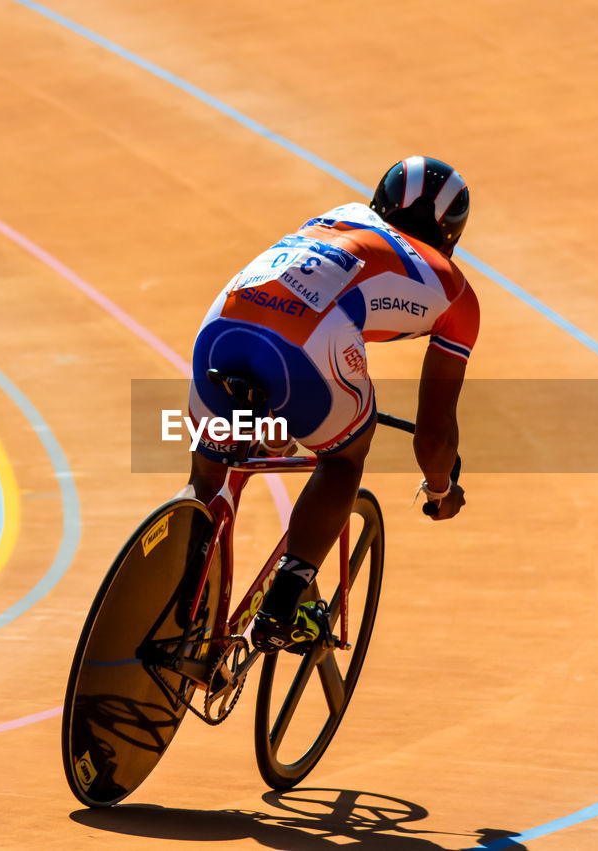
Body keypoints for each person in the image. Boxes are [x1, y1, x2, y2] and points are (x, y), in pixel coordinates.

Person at [181, 156, 479, 653]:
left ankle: (178, 592)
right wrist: (439, 488)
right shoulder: (456, 292)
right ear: (451, 235)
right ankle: (284, 605)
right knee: (344, 457)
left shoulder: (337, 215)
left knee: (210, 472)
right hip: (309, 343)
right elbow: (434, 435)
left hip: (224, 320)